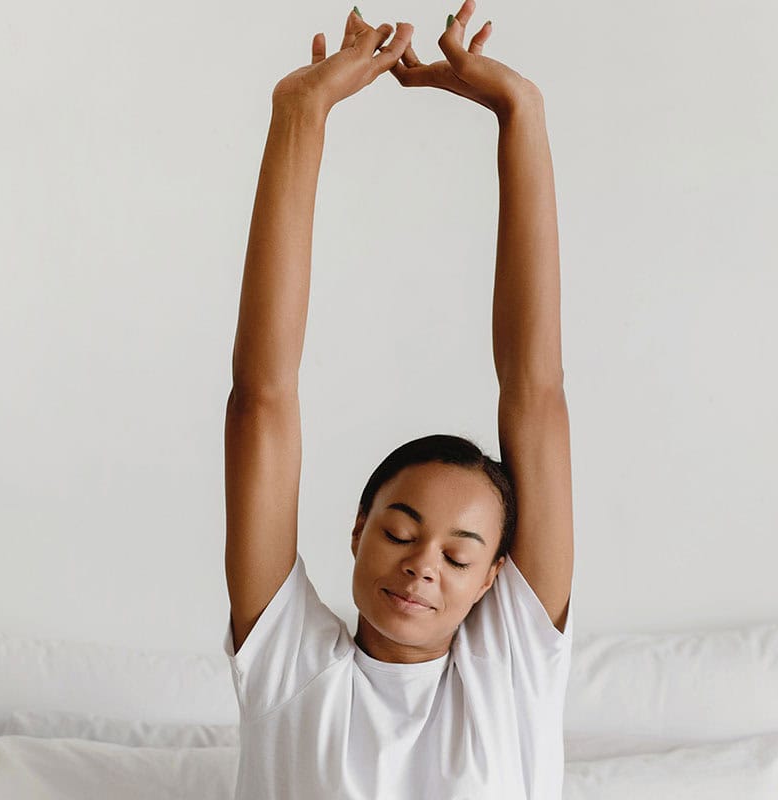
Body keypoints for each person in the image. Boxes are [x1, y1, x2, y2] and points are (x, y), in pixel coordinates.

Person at [223, 2, 574, 797]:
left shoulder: (511, 667)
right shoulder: (293, 671)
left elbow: (537, 393)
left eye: (458, 555)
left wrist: (521, 114)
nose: (422, 567)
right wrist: (300, 114)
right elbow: (261, 401)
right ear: (357, 531)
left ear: (494, 578)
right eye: (401, 531)